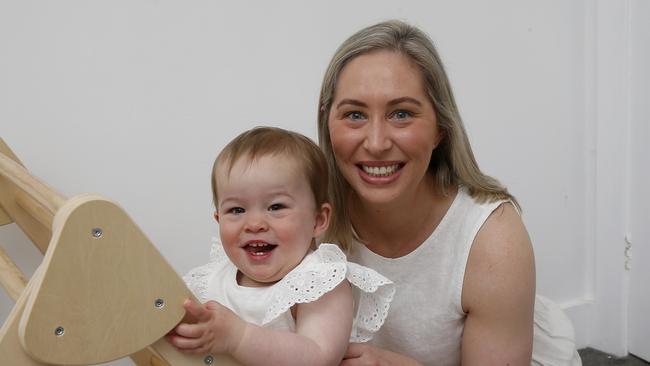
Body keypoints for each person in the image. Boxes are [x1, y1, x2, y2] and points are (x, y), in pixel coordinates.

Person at [317, 20, 581, 366]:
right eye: (354, 115)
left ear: (440, 128)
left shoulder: (493, 239)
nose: (377, 143)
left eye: (401, 114)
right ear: (328, 123)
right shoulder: (308, 215)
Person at [166, 127, 395, 366]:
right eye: (237, 210)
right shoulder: (211, 281)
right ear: (218, 219)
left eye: (276, 207)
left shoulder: (319, 282)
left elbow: (319, 356)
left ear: (318, 220)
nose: (254, 224)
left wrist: (239, 337)